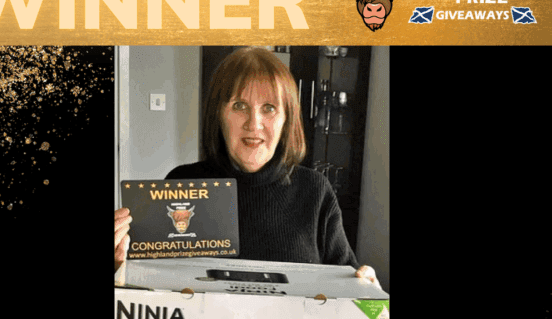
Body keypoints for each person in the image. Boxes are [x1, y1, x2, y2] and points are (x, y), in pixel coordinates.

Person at [115, 47, 380, 286]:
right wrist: (118, 266)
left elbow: (347, 281)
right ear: (219, 115)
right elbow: (149, 288)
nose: (253, 124)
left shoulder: (315, 191)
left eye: (269, 108)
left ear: (286, 120)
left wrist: (365, 285)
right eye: (239, 106)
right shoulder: (182, 182)